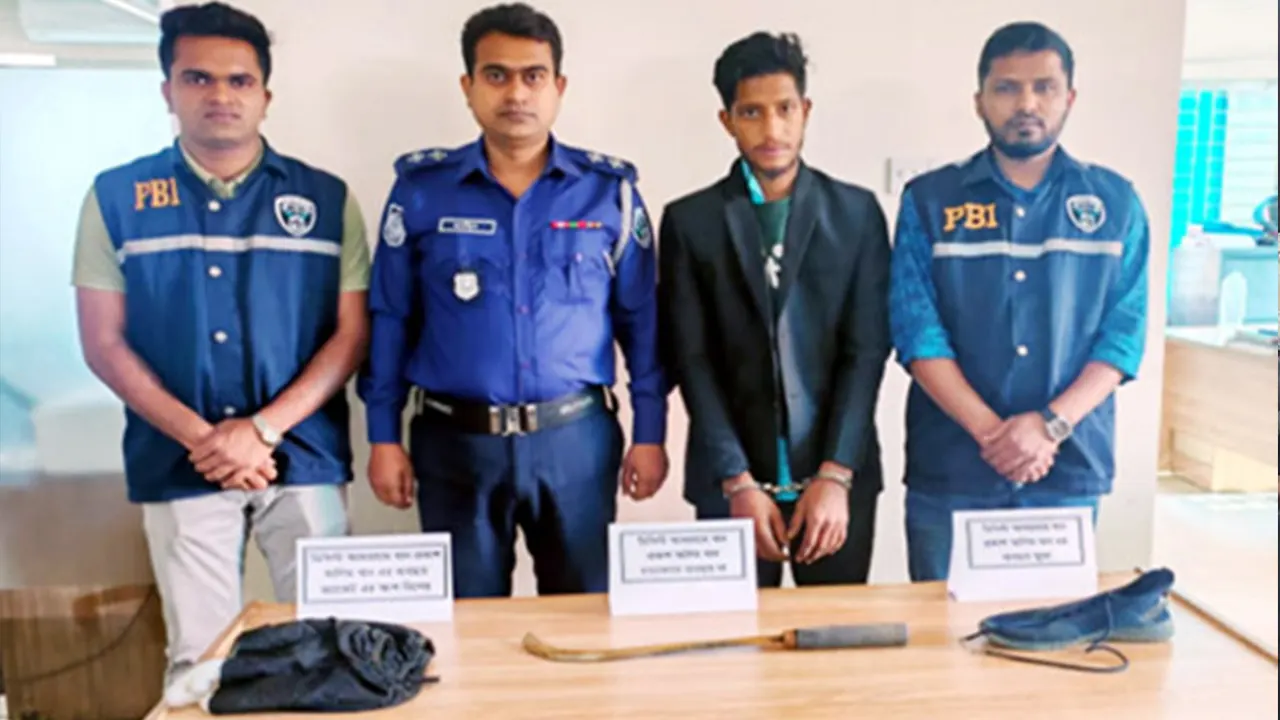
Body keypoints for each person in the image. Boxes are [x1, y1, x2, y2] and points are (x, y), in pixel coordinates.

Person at [71, 2, 369, 686]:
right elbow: (103, 342)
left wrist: (260, 431)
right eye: (198, 78)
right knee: (198, 661)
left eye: (239, 81)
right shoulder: (116, 198)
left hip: (305, 454)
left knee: (330, 650)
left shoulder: (326, 200)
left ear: (265, 95)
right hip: (179, 458)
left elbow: (351, 335)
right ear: (167, 91)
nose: (220, 96)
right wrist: (207, 440)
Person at [358, 2, 668, 599]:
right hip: (456, 444)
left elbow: (641, 323)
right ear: (468, 86)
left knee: (584, 619)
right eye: (497, 75)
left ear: (559, 87)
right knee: (466, 623)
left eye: (533, 76)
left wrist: (649, 433)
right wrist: (382, 436)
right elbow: (391, 317)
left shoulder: (609, 194)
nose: (516, 93)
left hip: (574, 442)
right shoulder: (421, 191)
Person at [888, 21, 1150, 582]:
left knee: (1048, 628)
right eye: (1007, 88)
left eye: (1043, 87)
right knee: (941, 630)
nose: (1026, 103)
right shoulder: (930, 200)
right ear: (979, 100)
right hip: (952, 469)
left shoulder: (1115, 202)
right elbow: (917, 332)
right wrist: (993, 434)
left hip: (1067, 469)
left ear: (1069, 98)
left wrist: (1048, 428)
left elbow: (1123, 337)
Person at [658, 31, 892, 587]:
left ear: (805, 110)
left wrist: (836, 474)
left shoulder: (856, 213)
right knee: (734, 638)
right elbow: (692, 359)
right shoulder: (690, 222)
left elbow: (866, 353)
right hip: (732, 484)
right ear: (727, 120)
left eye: (785, 109)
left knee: (834, 635)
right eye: (752, 112)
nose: (771, 129)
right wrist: (736, 479)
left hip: (835, 482)